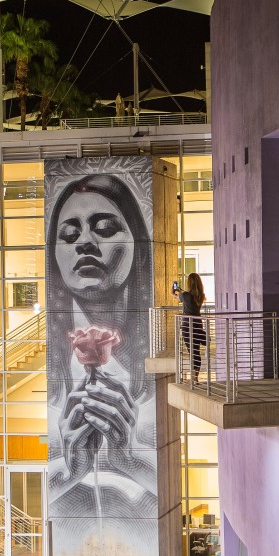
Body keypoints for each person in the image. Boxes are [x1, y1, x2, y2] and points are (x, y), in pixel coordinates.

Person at [45, 173, 157, 522]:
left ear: (137, 242)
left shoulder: (160, 360)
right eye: (69, 234)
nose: (85, 243)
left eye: (105, 228)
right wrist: (69, 470)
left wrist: (129, 459)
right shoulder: (52, 374)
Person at [173, 273, 207, 381]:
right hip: (198, 325)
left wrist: (174, 290)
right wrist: (182, 291)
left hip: (187, 327)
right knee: (196, 351)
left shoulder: (185, 296)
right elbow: (188, 296)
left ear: (189, 283)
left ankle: (194, 379)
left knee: (191, 351)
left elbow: (175, 296)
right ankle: (195, 377)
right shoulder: (201, 296)